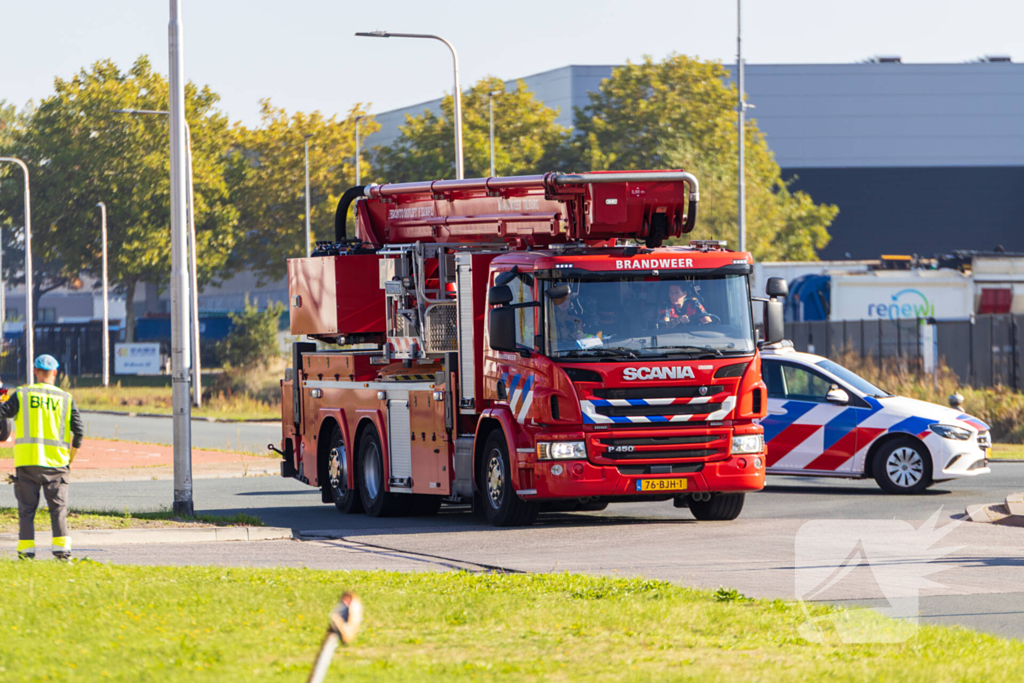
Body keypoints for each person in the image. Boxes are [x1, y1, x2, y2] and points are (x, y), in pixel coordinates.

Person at [3, 355, 85, 560]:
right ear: (55, 372)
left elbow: (2, 413)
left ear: (35, 371)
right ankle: (62, 554)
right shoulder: (65, 398)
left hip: (27, 462)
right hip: (57, 464)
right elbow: (79, 432)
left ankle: (26, 554)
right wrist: (70, 460)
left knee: (26, 511)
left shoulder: (22, 394)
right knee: (58, 511)